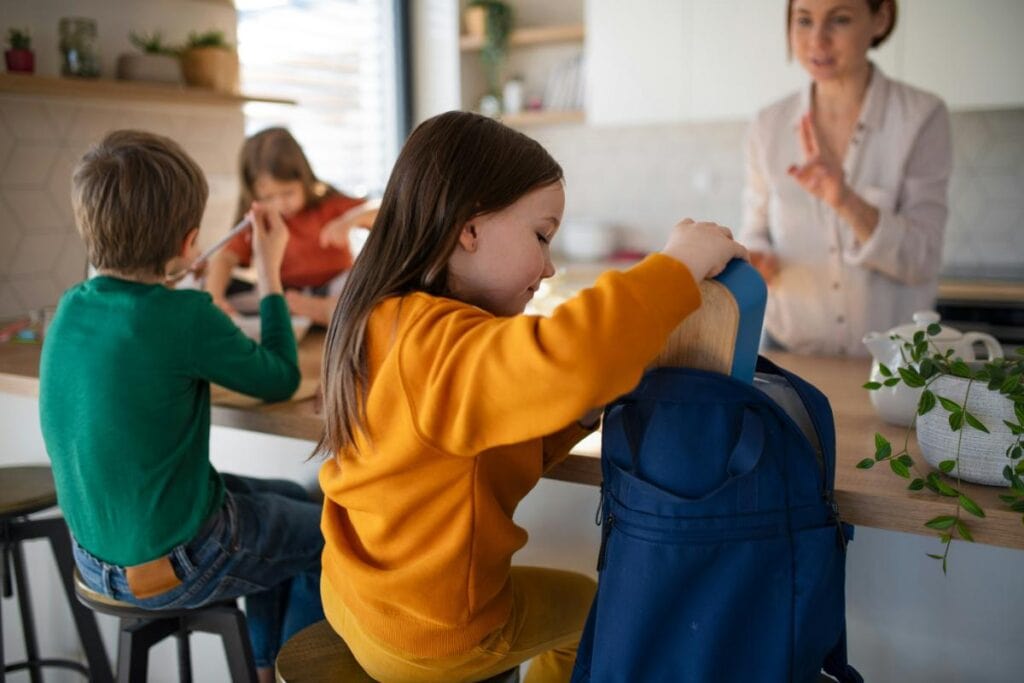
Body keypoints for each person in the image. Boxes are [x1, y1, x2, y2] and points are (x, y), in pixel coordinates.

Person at [315, 111, 748, 683]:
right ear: (468, 229)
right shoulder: (442, 343)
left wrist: (580, 413)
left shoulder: (386, 318)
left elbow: (470, 451)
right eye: (541, 235)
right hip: (430, 636)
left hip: (354, 597)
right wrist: (679, 264)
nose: (547, 267)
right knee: (601, 614)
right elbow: (573, 354)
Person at [39, 130, 324, 683]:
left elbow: (130, 326)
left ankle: (263, 670)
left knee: (290, 498)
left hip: (96, 562)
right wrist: (269, 268)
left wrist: (170, 280)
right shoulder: (187, 317)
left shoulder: (69, 309)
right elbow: (280, 376)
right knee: (332, 534)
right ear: (191, 242)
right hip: (183, 562)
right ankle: (291, 675)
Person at [740, 0, 951, 356]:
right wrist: (757, 259)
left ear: (880, 18)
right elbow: (755, 229)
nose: (817, 40)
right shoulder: (767, 126)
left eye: (839, 19)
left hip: (895, 363)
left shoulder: (921, 117)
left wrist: (845, 201)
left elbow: (922, 259)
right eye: (804, 20)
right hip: (790, 352)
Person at [205, 126, 379, 326]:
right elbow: (226, 258)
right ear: (253, 194)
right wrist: (215, 298)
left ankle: (322, 309)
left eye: (288, 193)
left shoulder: (329, 202)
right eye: (268, 197)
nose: (280, 204)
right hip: (285, 293)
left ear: (304, 179)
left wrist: (351, 220)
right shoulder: (258, 219)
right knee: (215, 288)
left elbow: (384, 213)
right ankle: (316, 311)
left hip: (336, 287)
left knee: (370, 286)